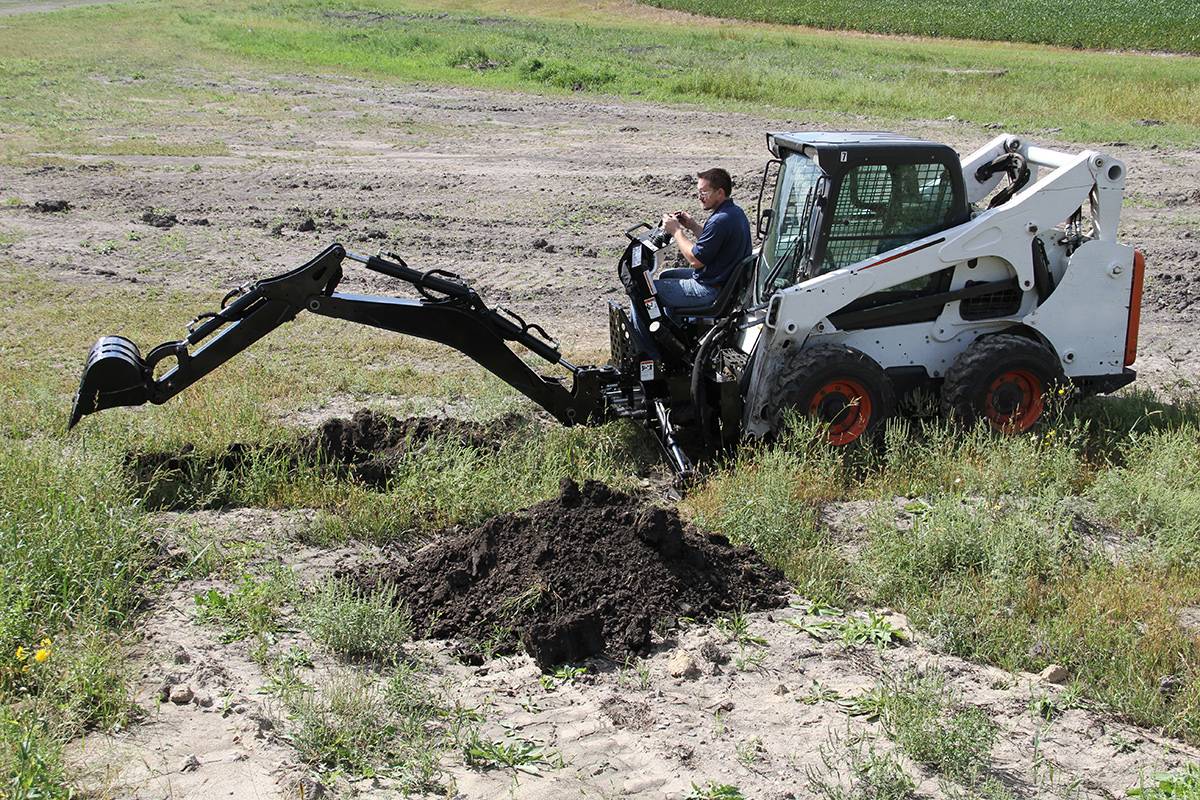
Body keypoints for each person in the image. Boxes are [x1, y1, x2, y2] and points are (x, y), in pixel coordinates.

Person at [632, 168, 752, 356]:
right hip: (723, 282)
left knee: (641, 291)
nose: (700, 197)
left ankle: (649, 354)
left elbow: (695, 260)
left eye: (704, 192)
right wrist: (693, 226)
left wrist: (677, 231)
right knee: (666, 275)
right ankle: (674, 341)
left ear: (720, 192)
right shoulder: (733, 213)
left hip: (711, 290)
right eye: (698, 192)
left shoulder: (720, 220)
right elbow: (712, 243)